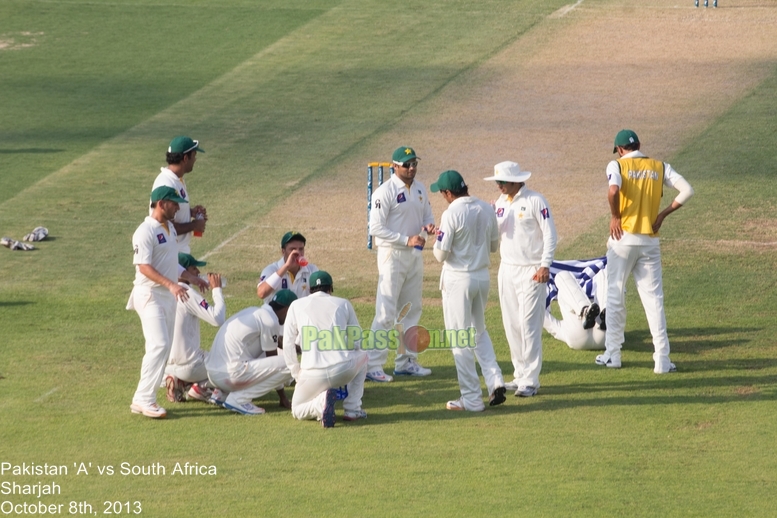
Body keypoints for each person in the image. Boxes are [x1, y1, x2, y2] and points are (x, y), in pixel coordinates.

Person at [596, 129, 694, 373]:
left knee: (615, 295)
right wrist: (662, 214)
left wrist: (615, 216)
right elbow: (687, 190)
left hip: (623, 239)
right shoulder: (659, 166)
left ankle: (613, 354)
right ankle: (662, 359)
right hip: (650, 241)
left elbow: (613, 190)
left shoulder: (617, 165)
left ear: (620, 150)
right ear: (639, 145)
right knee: (654, 301)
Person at [430, 170, 506, 411]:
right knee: (479, 332)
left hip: (458, 281)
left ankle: (472, 398)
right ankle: (495, 381)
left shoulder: (451, 213)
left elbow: (440, 254)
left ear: (448, 193)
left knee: (460, 338)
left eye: (442, 193)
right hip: (482, 277)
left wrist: (438, 239)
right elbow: (494, 246)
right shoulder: (486, 208)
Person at [485, 161, 557, 397]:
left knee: (529, 325)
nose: (498, 185)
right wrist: (490, 218)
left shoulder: (536, 200)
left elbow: (550, 234)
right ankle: (519, 375)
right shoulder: (499, 205)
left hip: (532, 270)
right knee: (512, 324)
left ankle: (531, 380)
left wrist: (545, 265)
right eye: (497, 182)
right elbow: (494, 237)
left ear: (515, 181)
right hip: (507, 269)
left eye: (502, 182)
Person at [367, 146, 435, 382]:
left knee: (411, 309)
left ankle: (406, 362)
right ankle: (373, 364)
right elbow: (375, 228)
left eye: (414, 163)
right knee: (386, 312)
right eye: (406, 164)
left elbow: (427, 215)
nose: (411, 168)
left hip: (414, 255)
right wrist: (406, 240)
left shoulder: (419, 188)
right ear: (394, 166)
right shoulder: (383, 192)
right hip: (392, 256)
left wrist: (428, 227)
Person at [127, 186, 190, 419]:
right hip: (150, 294)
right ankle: (145, 399)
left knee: (160, 347)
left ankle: (141, 398)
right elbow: (143, 266)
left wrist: (192, 278)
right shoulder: (145, 231)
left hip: (167, 296)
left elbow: (171, 263)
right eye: (173, 203)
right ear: (161, 203)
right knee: (160, 344)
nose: (177, 207)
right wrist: (171, 285)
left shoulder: (170, 228)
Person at [283, 271, 369, 428]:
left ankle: (320, 403)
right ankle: (352, 409)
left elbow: (287, 344)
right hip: (341, 370)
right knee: (363, 356)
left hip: (311, 373)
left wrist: (296, 373)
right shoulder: (343, 303)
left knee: (297, 409)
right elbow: (358, 341)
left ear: (309, 290)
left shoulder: (296, 305)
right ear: (331, 288)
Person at [205, 290, 297, 415]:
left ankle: (221, 394)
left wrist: (293, 346)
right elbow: (273, 358)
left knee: (253, 352)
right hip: (231, 376)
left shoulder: (254, 311)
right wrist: (283, 397)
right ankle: (239, 399)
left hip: (213, 376)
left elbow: (271, 342)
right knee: (290, 363)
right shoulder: (270, 321)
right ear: (287, 309)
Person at [164, 253, 226, 403]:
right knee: (231, 366)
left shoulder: (162, 292)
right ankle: (201, 388)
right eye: (193, 268)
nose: (198, 272)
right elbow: (217, 319)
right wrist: (217, 290)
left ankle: (179, 381)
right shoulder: (185, 291)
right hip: (190, 366)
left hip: (166, 366)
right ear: (182, 271)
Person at [150, 136, 207, 254]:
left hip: (178, 249)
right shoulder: (167, 184)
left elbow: (172, 213)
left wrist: (190, 212)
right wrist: (194, 225)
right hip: (172, 252)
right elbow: (164, 226)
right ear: (186, 158)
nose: (195, 159)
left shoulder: (177, 179)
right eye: (194, 155)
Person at [544, 262, 607, 351]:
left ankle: (584, 310)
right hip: (608, 334)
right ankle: (604, 311)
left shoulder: (561, 331)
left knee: (561, 275)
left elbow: (540, 314)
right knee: (605, 273)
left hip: (577, 339)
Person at [257, 231, 319, 302]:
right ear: (283, 251)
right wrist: (286, 267)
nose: (297, 253)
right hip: (275, 313)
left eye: (301, 249)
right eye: (293, 249)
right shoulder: (271, 270)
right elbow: (261, 293)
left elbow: (321, 296)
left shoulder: (312, 270)